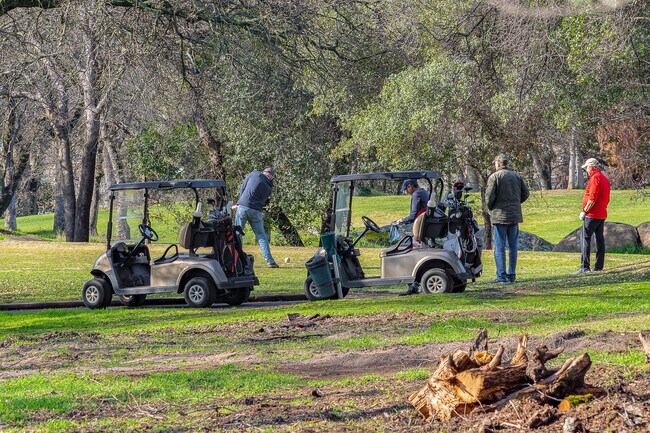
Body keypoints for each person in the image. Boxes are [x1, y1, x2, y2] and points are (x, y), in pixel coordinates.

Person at [485, 154, 530, 284]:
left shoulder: (494, 177)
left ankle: (501, 276)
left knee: (499, 247)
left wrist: (491, 207)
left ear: (498, 164)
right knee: (513, 247)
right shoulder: (516, 176)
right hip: (514, 216)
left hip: (500, 216)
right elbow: (525, 194)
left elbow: (489, 198)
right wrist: (516, 203)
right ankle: (511, 275)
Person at [232, 167, 279, 268]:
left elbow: (243, 188)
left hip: (243, 208)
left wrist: (240, 203)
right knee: (261, 236)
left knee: (237, 234)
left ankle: (236, 259)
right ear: (269, 175)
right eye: (273, 177)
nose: (272, 179)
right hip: (257, 211)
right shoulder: (269, 188)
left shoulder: (254, 174)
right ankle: (270, 261)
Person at [576, 158, 611, 274]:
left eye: (587, 167)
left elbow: (592, 198)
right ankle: (598, 266)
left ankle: (584, 267)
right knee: (599, 239)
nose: (586, 170)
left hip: (592, 214)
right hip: (601, 214)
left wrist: (584, 211)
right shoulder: (604, 178)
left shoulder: (595, 178)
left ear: (592, 167)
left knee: (585, 239)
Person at [397, 179, 430, 296]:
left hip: (419, 229)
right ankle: (415, 284)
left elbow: (412, 215)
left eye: (406, 189)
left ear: (411, 186)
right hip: (423, 228)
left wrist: (401, 221)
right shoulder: (424, 192)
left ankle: (412, 286)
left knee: (407, 255)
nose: (407, 192)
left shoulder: (416, 194)